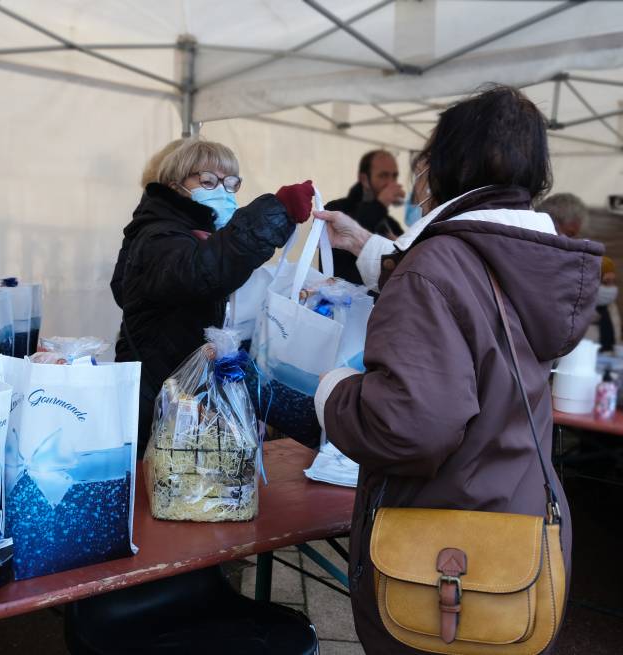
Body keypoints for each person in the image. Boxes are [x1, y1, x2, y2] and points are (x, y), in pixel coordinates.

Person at [312, 85, 602, 653]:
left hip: (441, 550)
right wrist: (371, 247)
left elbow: (410, 425)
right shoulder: (531, 257)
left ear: (444, 162)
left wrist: (334, 392)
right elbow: (467, 297)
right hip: (517, 527)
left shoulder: (437, 264)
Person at [111, 137, 315, 451]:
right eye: (207, 181)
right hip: (158, 396)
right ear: (174, 184)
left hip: (183, 393)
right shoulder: (159, 236)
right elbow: (204, 271)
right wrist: (274, 212)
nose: (221, 191)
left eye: (230, 183)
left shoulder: (196, 232)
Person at [325, 150, 405, 284]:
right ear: (364, 179)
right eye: (383, 176)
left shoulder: (391, 223)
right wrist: (380, 204)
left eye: (394, 176)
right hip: (339, 300)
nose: (391, 183)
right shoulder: (336, 208)